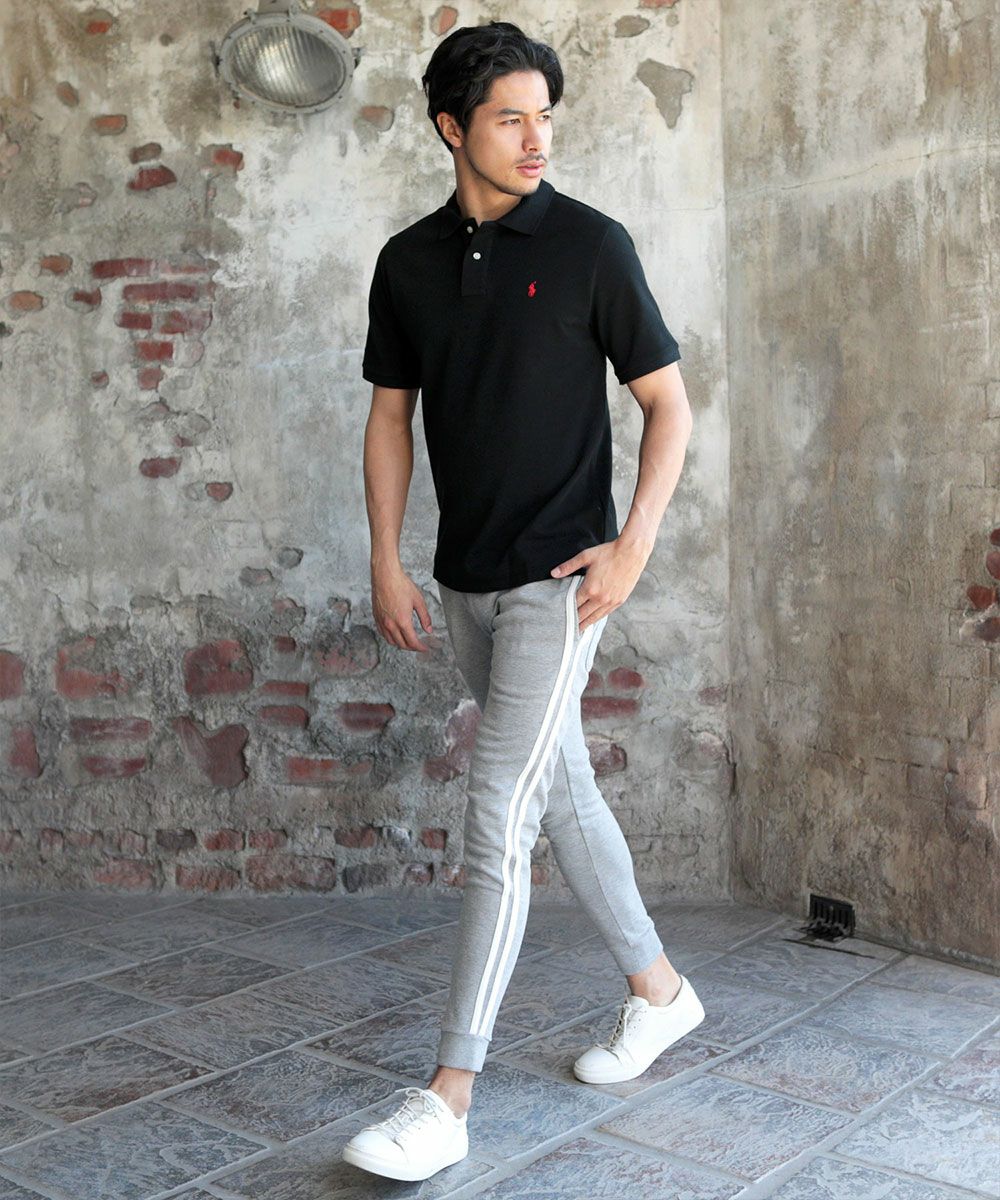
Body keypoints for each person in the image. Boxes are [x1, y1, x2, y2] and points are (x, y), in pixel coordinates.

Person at [341, 19, 704, 1184]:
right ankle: (660, 992)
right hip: (464, 582)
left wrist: (631, 548)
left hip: (560, 583)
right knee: (560, 795)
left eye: (544, 116)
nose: (536, 138)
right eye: (510, 118)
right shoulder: (407, 263)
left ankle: (447, 1096)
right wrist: (387, 559)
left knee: (497, 813)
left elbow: (669, 404)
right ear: (452, 128)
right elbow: (390, 416)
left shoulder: (592, 245)